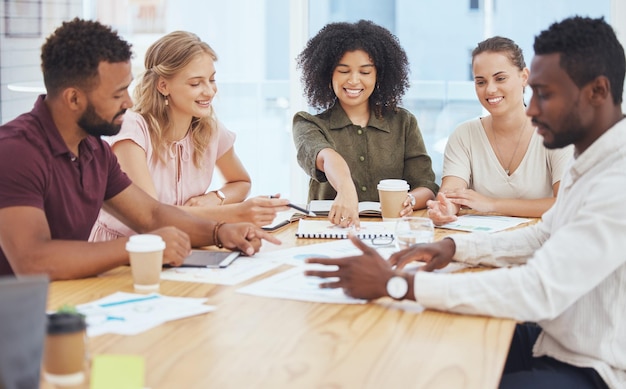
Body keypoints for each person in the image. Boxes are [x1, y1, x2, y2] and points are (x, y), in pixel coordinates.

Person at [306, 16, 625, 388]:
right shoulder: (589, 162)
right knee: (416, 349)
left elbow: (537, 289)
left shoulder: (616, 182)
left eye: (545, 94)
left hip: (594, 366)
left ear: (598, 92)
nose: (533, 109)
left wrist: (398, 285)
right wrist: (453, 247)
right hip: (551, 340)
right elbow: (541, 238)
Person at [0, 18, 280, 280]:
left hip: (65, 297)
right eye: (117, 94)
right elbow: (32, 260)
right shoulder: (15, 151)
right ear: (74, 98)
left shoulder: (94, 150)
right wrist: (140, 246)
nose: (129, 102)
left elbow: (151, 214)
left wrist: (221, 232)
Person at [90, 31, 290, 242]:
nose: (210, 91)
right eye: (196, 84)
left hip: (182, 244)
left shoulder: (209, 129)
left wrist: (215, 198)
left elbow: (241, 182)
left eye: (212, 80)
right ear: (163, 86)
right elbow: (150, 217)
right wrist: (237, 212)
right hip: (126, 249)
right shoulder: (133, 129)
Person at [292, 20, 439, 228]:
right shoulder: (308, 123)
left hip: (391, 231)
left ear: (379, 75)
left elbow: (426, 185)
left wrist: (410, 201)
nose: (353, 80)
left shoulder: (403, 122)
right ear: (328, 74)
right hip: (329, 232)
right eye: (343, 71)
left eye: (365, 72)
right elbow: (326, 158)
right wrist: (346, 190)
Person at [427, 36, 572, 226]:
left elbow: (566, 203)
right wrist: (445, 209)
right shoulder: (464, 135)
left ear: (524, 77)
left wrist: (493, 204)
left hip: (543, 245)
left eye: (500, 78)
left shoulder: (558, 133)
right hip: (482, 243)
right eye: (481, 82)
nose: (490, 90)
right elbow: (451, 194)